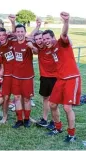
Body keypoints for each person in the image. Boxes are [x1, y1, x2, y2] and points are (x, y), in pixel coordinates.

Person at [44, 12, 81, 142]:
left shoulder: (62, 43)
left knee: (67, 107)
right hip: (60, 79)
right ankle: (58, 127)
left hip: (72, 78)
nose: (46, 41)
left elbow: (64, 34)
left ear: (53, 37)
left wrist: (66, 22)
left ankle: (71, 134)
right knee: (52, 104)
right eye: (44, 40)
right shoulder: (49, 49)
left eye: (48, 38)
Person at [11, 24, 38, 128]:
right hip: (16, 76)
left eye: (22, 31)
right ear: (16, 33)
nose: (20, 33)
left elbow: (36, 52)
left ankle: (26, 119)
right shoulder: (13, 42)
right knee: (17, 98)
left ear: (25, 32)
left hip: (27, 77)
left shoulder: (29, 43)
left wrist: (33, 47)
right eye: (18, 32)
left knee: (26, 99)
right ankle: (19, 120)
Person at [32, 28, 56, 130]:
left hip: (55, 77)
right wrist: (37, 27)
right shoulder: (38, 47)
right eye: (36, 39)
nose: (39, 41)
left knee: (53, 101)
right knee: (45, 99)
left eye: (41, 38)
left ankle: (54, 121)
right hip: (44, 77)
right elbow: (28, 38)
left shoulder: (51, 46)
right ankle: (44, 119)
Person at [0, 27, 15, 123]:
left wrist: (11, 32)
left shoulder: (13, 42)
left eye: (3, 35)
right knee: (6, 97)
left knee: (20, 97)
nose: (2, 37)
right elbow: (0, 65)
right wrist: (1, 76)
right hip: (6, 76)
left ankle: (24, 116)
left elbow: (21, 36)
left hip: (17, 75)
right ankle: (4, 116)